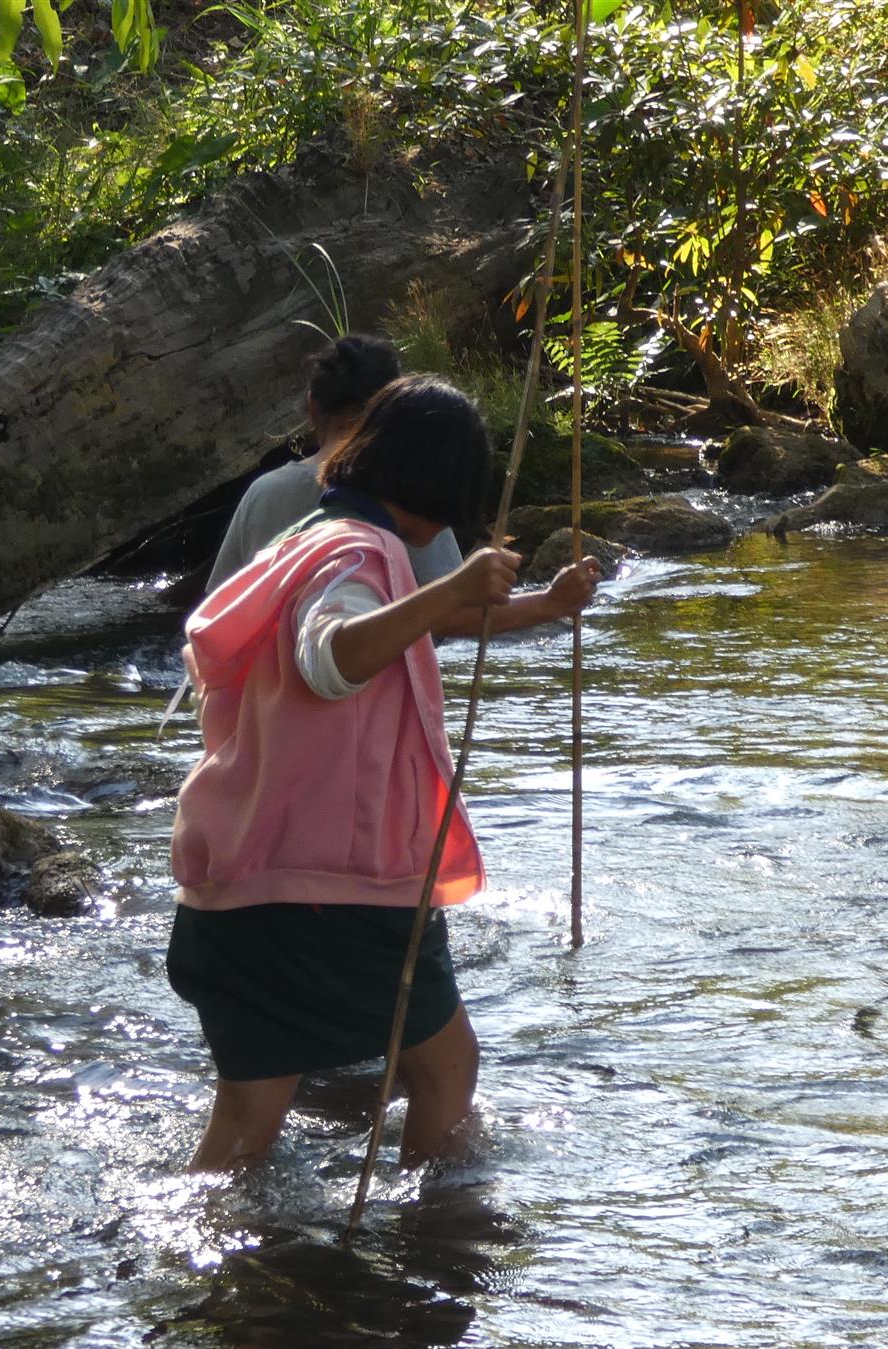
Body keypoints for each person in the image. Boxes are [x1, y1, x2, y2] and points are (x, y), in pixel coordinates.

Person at [167, 375, 601, 1172]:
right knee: (445, 1067)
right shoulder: (357, 555)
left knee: (245, 1120)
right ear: (447, 483)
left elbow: (422, 620)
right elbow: (332, 655)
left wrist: (542, 603)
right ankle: (433, 1246)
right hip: (328, 894)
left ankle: (210, 1275)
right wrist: (455, 582)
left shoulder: (312, 537)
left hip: (238, 889)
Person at [207, 334, 596, 636]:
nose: (444, 524)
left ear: (312, 406)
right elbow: (444, 615)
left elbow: (216, 610)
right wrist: (546, 604)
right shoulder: (403, 498)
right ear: (395, 415)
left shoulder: (264, 493)